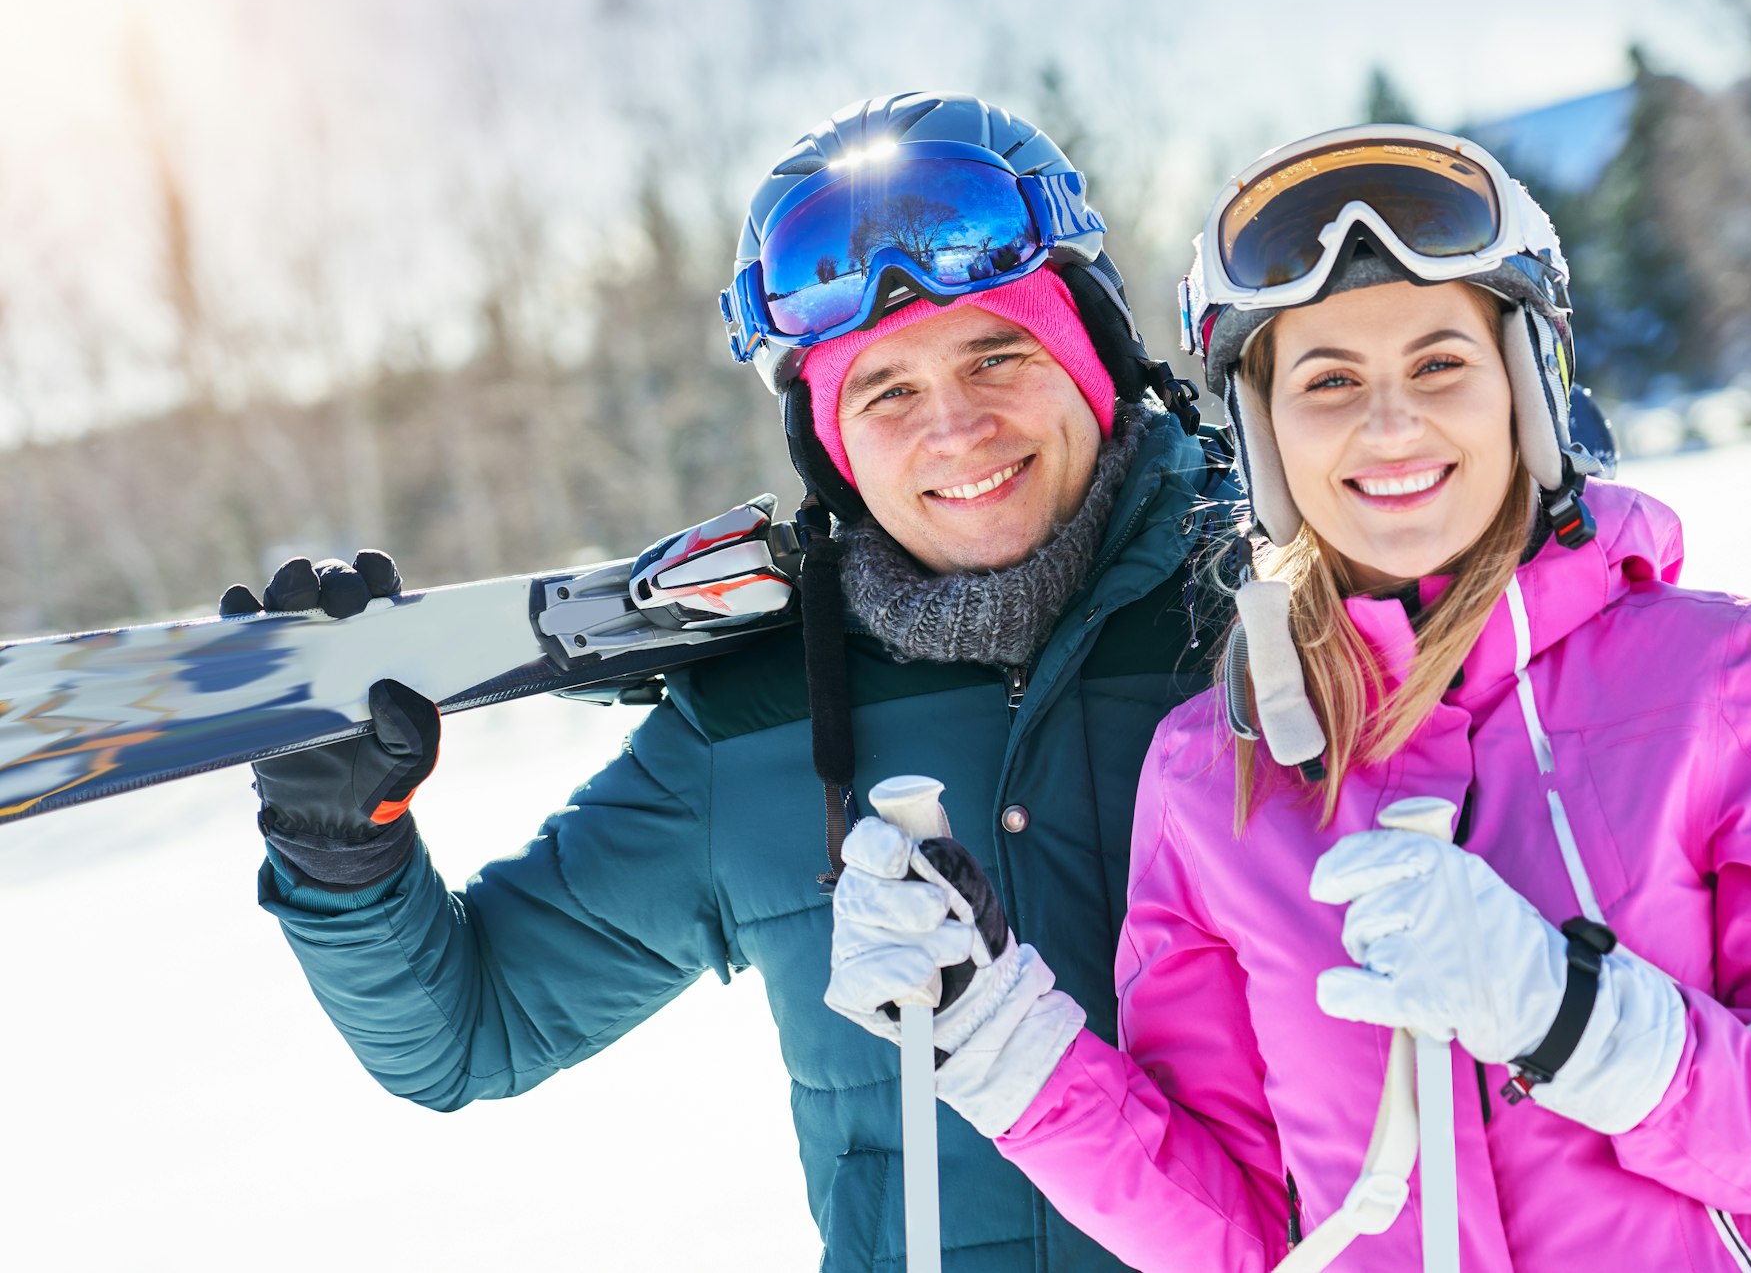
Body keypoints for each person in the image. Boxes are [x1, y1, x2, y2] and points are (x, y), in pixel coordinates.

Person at [824, 124, 1751, 1272]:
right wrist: (997, 1038)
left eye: (1438, 362)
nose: (1386, 422)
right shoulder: (1211, 773)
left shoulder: (1716, 678)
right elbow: (1240, 1235)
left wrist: (1571, 1013)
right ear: (1263, 439)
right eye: (1327, 380)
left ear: (1522, 390)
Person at [230, 91, 1238, 1272]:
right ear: (831, 441)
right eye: (887, 391)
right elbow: (471, 1029)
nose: (955, 428)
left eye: (997, 353)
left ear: (1098, 360)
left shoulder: (1274, 618)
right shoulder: (757, 719)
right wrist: (343, 854)